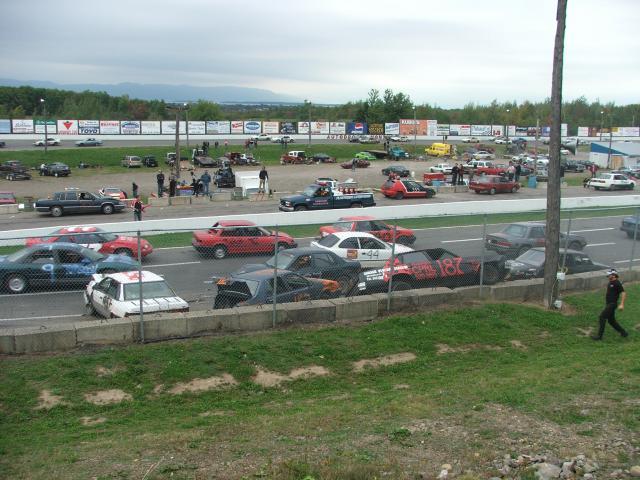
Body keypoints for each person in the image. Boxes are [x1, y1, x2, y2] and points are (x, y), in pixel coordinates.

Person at [592, 269, 628, 340]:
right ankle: (624, 333)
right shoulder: (610, 282)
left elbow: (623, 293)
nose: (608, 276)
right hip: (609, 304)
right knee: (611, 321)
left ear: (614, 275)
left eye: (609, 275)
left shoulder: (617, 283)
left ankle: (599, 336)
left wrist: (622, 304)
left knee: (602, 317)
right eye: (607, 275)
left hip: (612, 304)